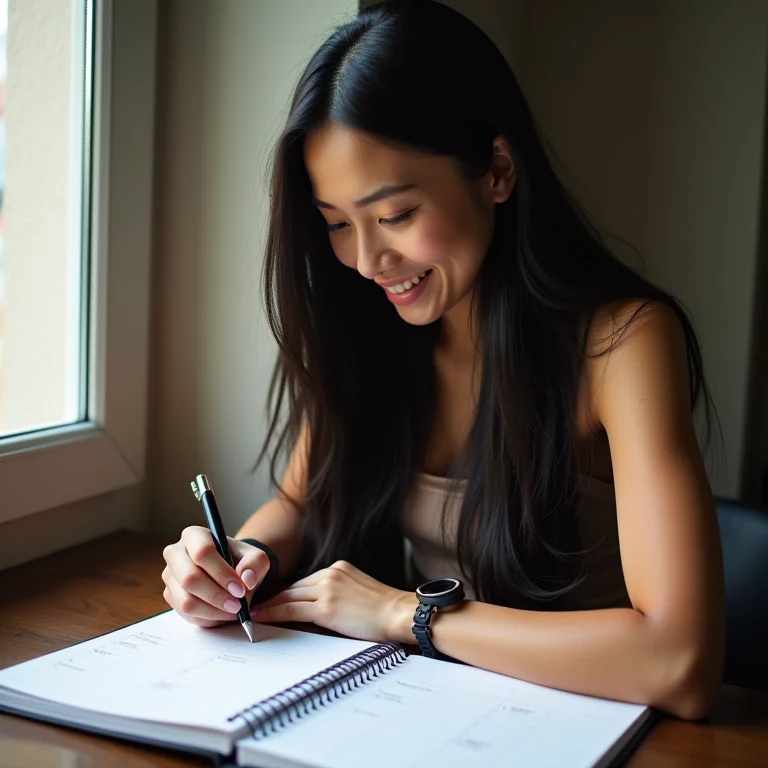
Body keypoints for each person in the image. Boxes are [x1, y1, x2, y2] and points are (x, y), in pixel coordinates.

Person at [161, 0, 724, 720]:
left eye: (394, 216)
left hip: (590, 724)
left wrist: (407, 615)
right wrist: (234, 558)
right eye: (337, 224)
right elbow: (302, 502)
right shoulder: (373, 326)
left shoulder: (624, 342)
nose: (367, 261)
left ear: (495, 169)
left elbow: (678, 661)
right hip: (434, 714)